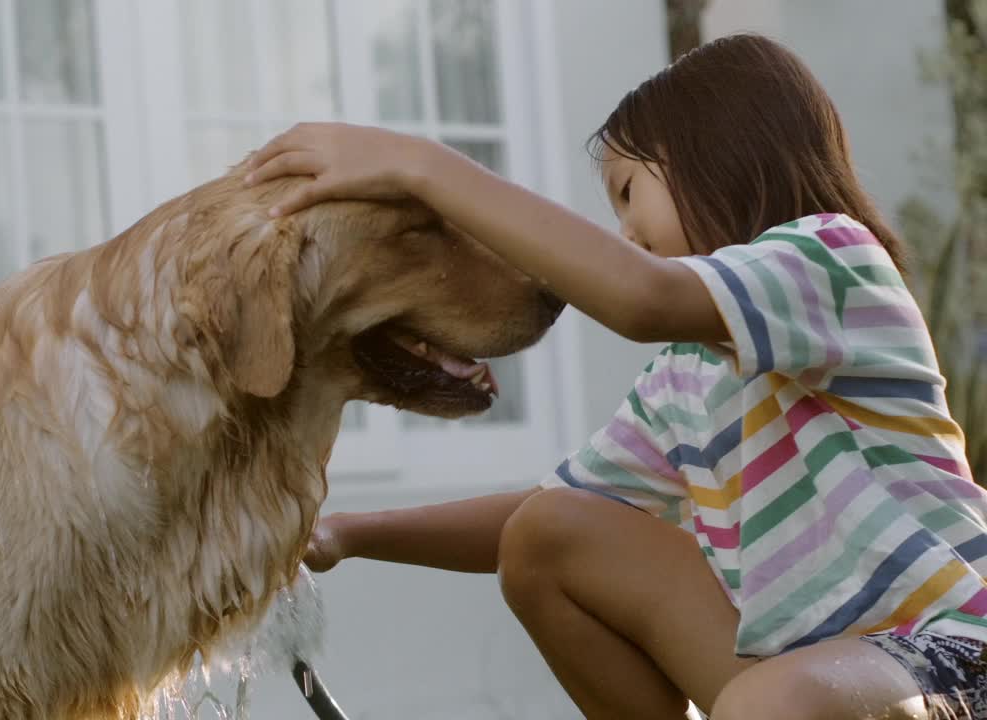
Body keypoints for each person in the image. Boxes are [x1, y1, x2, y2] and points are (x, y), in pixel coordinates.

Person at [243, 32, 987, 720]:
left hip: (953, 651)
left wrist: (420, 167)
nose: (625, 233)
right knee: (548, 534)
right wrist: (345, 534)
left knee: (777, 698)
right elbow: (542, 515)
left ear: (721, 149)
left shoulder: (829, 260)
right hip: (794, 684)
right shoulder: (684, 378)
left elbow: (640, 296)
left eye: (629, 192)